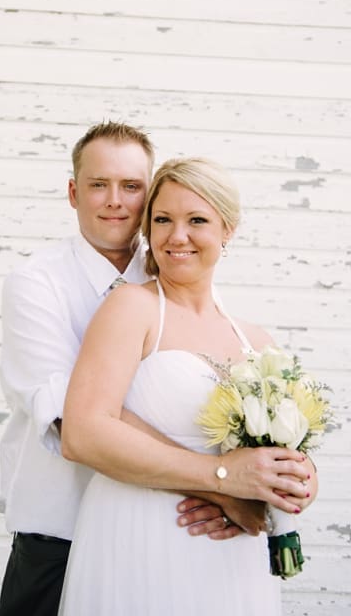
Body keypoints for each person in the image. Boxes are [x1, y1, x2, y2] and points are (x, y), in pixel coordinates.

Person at [0, 123, 265, 616]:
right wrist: (223, 485)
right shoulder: (36, 283)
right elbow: (71, 418)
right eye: (99, 184)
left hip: (168, 525)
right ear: (74, 193)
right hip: (58, 528)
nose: (115, 201)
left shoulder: (176, 265)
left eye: (132, 186)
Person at [57, 157, 318, 615]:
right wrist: (223, 480)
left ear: (227, 229)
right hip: (142, 537)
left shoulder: (258, 342)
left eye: (196, 220)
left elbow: (292, 456)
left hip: (234, 561)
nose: (177, 236)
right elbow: (83, 434)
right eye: (162, 220)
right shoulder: (131, 308)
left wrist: (297, 483)